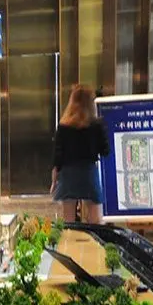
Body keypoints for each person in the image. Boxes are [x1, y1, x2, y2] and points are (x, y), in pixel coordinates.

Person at [51, 85, 110, 224]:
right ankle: (94, 237)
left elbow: (58, 156)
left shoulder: (63, 126)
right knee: (95, 219)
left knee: (68, 220)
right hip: (88, 173)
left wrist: (54, 180)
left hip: (68, 175)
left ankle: (70, 237)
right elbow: (105, 151)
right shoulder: (96, 125)